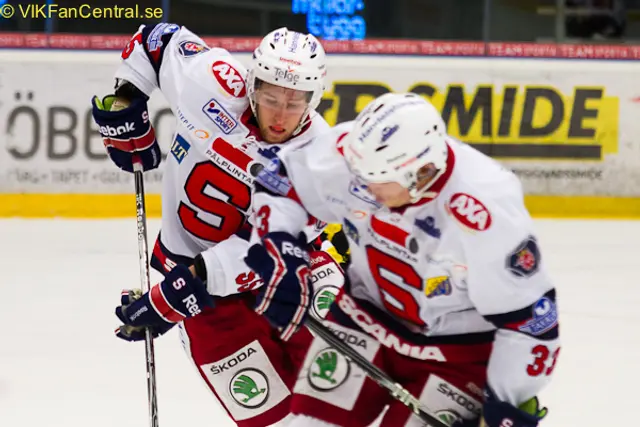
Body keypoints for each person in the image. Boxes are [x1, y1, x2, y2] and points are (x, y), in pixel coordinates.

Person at [243, 92, 561, 427]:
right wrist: (281, 251)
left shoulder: (486, 209)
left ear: (420, 173)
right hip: (361, 318)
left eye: (376, 179)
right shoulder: (356, 155)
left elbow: (530, 322)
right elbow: (280, 182)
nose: (362, 185)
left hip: (455, 356)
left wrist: (505, 405)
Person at [91, 23, 346, 426]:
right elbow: (155, 42)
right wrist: (126, 100)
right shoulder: (208, 82)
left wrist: (175, 293)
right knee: (273, 419)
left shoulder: (321, 159)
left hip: (290, 277)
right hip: (207, 299)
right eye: (270, 96)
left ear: (315, 100)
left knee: (341, 402)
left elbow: (265, 251)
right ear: (250, 83)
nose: (280, 115)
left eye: (295, 102)